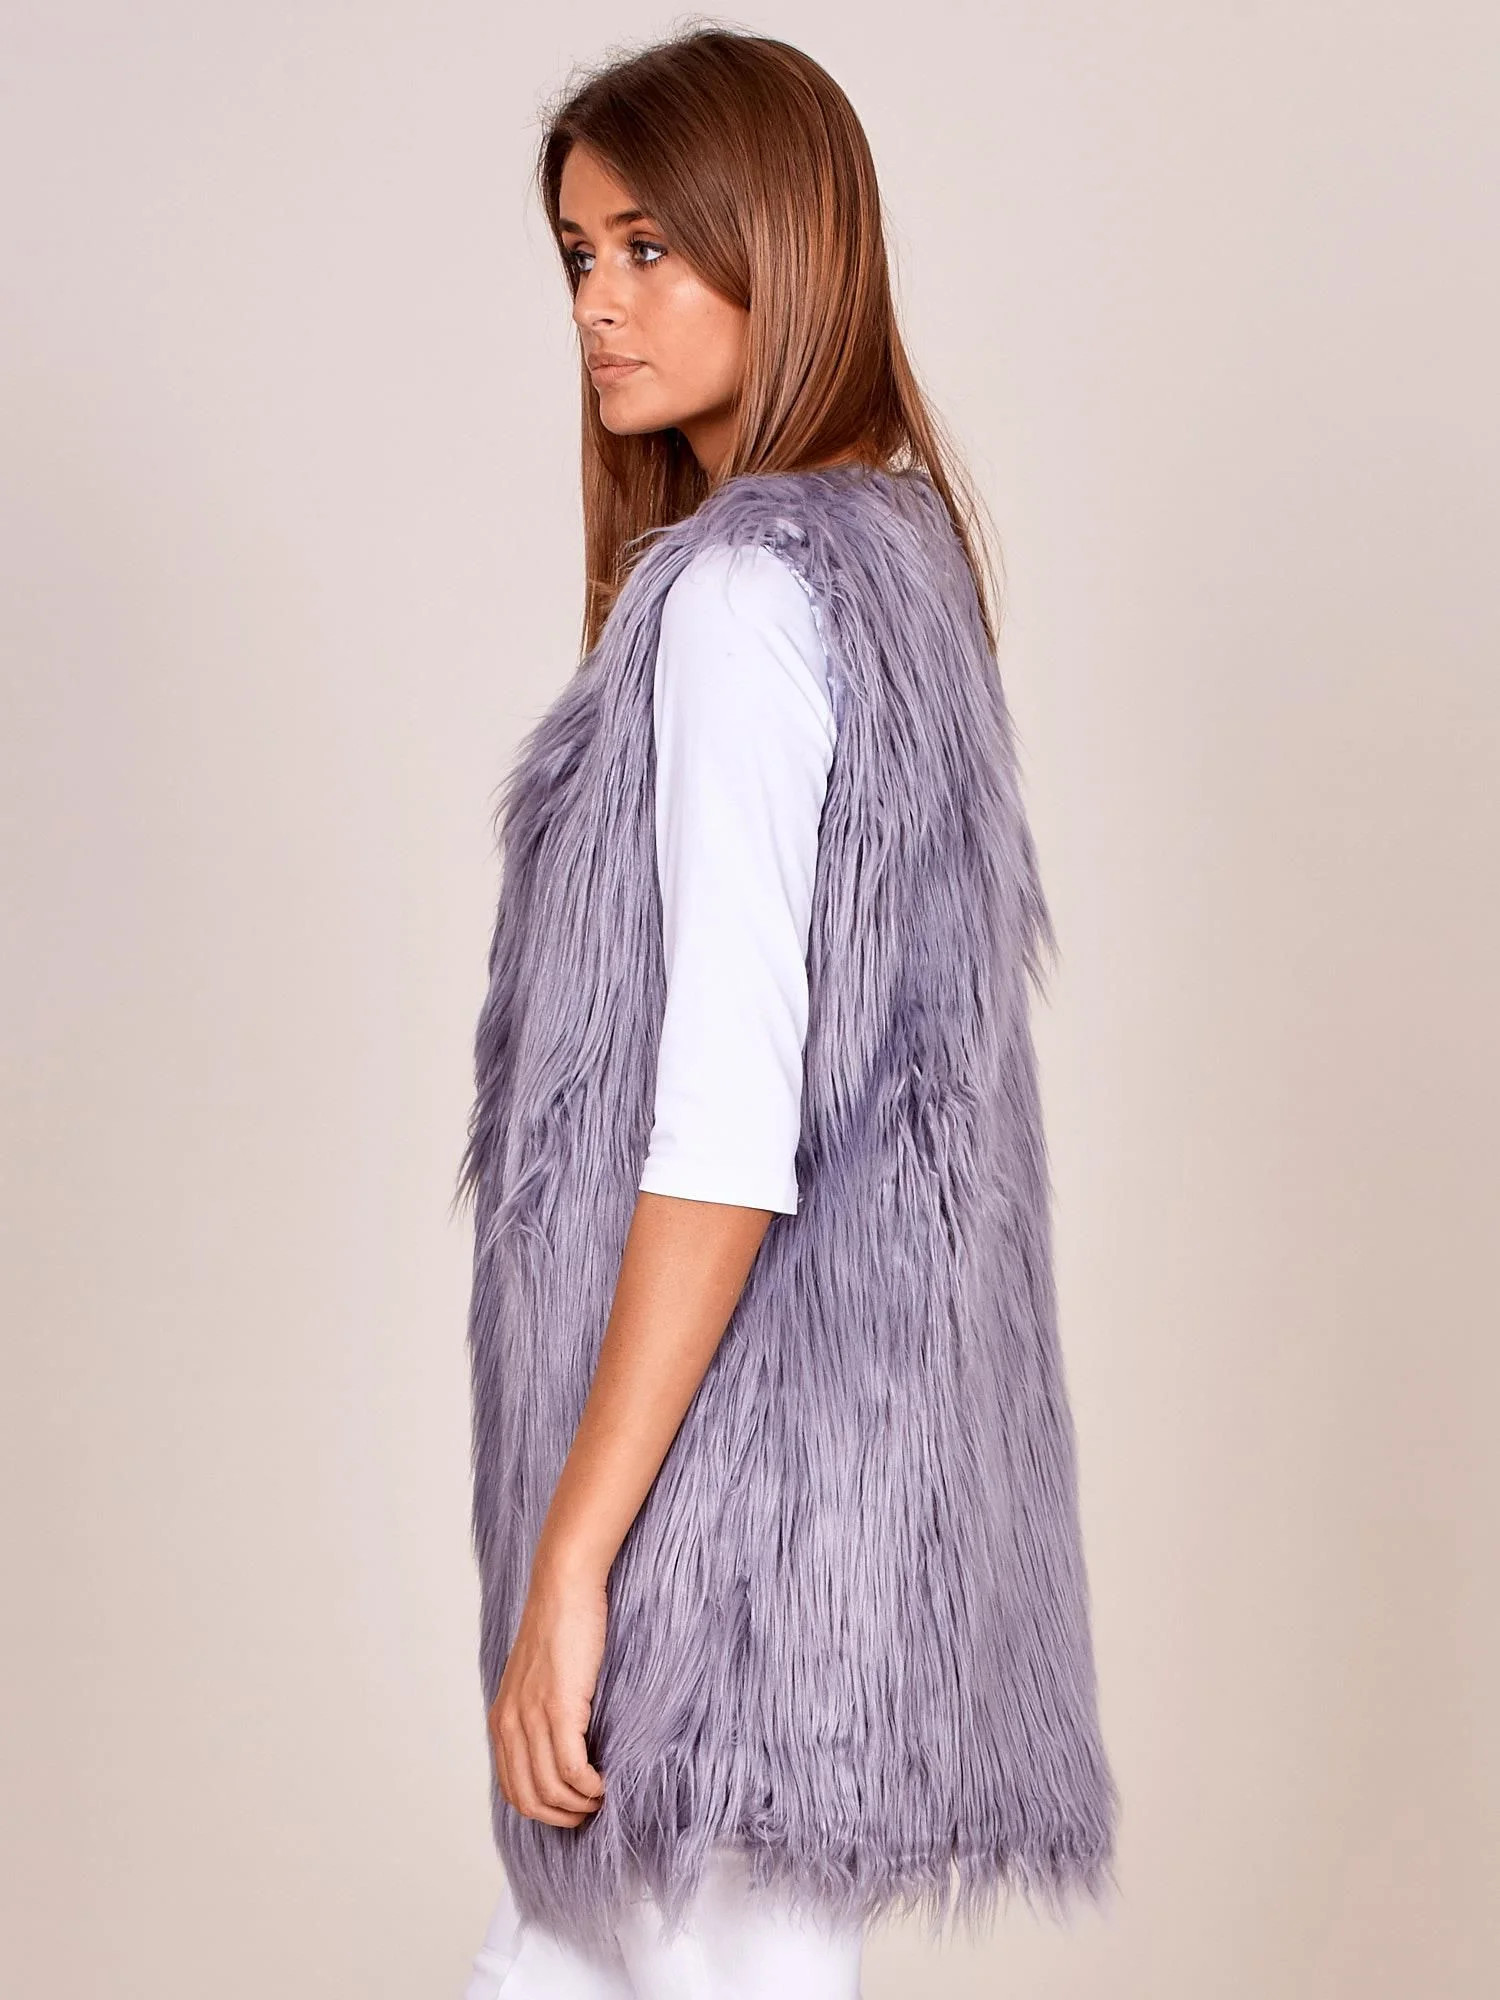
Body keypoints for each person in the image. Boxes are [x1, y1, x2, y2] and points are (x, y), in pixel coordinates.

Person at [454, 27, 1119, 2000]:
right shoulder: (898, 575)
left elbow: (728, 1131)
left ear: (786, 244)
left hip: (726, 1536)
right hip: (830, 1509)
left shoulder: (744, 602)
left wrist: (573, 1557)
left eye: (651, 248)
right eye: (579, 255)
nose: (598, 302)